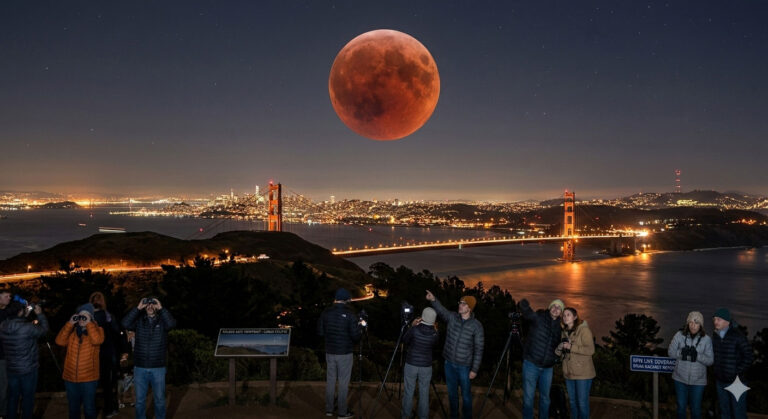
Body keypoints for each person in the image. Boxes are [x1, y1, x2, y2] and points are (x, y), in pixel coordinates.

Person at [426, 290, 484, 419]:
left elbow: (479, 349)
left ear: (469, 308)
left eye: (463, 304)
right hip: (449, 364)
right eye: (460, 302)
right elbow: (442, 311)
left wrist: (474, 369)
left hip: (464, 367)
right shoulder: (452, 317)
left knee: (466, 396)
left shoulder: (477, 326)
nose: (460, 305)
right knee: (452, 395)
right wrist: (433, 300)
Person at [121, 296, 176, 419]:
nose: (150, 306)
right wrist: (138, 307)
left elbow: (172, 324)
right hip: (140, 367)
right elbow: (125, 323)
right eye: (147, 304)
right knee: (140, 401)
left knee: (160, 400)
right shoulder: (139, 321)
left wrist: (161, 308)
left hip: (158, 368)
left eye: (152, 304)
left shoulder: (162, 321)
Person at [317, 288, 363, 419]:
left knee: (331, 380)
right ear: (346, 300)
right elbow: (356, 336)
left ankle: (329, 409)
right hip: (345, 353)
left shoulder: (326, 313)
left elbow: (320, 332)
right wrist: (360, 326)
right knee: (343, 382)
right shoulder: (350, 314)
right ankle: (342, 412)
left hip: (330, 351)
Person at [0, 300, 49, 419]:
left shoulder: (3, 326)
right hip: (28, 369)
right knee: (28, 397)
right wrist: (40, 314)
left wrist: (23, 315)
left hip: (11, 369)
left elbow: (16, 324)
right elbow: (44, 330)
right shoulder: (27, 327)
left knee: (13, 397)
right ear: (20, 311)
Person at [55, 303, 105, 419]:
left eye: (85, 316)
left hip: (89, 379)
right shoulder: (72, 333)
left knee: (89, 408)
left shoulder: (98, 330)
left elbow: (97, 340)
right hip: (70, 378)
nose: (82, 319)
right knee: (73, 409)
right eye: (80, 316)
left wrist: (89, 323)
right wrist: (70, 323)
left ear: (91, 318)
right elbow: (59, 341)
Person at [518, 298, 564, 419]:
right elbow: (528, 314)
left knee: (545, 399)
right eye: (554, 306)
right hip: (531, 364)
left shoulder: (559, 328)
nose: (556, 309)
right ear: (549, 307)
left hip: (548, 368)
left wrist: (554, 358)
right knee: (528, 398)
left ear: (561, 312)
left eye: (559, 308)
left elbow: (556, 347)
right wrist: (524, 304)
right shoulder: (539, 317)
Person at [668, 311, 713, 419]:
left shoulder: (706, 339)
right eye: (691, 322)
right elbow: (670, 352)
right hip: (680, 378)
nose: (693, 326)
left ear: (700, 325)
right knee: (681, 407)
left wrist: (697, 356)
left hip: (698, 381)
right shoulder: (679, 335)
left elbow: (710, 361)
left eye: (696, 323)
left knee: (696, 409)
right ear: (687, 323)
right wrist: (681, 353)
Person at [89, 291, 126, 418]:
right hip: (95, 353)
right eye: (95, 300)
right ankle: (104, 408)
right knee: (100, 383)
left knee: (107, 383)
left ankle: (110, 408)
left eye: (99, 299)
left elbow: (117, 331)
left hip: (106, 353)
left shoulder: (106, 315)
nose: (97, 302)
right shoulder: (91, 316)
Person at [712, 308, 752, 419]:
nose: (715, 322)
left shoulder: (738, 335)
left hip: (737, 382)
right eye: (714, 319)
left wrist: (736, 372)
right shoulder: (715, 335)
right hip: (720, 381)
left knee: (738, 413)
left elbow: (749, 356)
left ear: (727, 321)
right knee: (724, 413)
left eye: (719, 319)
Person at [555, 307, 595, 419]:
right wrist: (559, 348)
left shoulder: (584, 330)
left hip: (583, 374)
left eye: (568, 315)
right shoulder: (564, 332)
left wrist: (571, 347)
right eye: (564, 315)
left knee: (582, 403)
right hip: (569, 373)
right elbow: (563, 354)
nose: (565, 317)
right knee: (572, 402)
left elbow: (590, 350)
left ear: (575, 317)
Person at [401, 307, 439, 419]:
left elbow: (405, 340)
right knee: (424, 393)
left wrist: (412, 325)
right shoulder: (435, 334)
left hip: (411, 364)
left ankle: (406, 416)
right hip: (426, 366)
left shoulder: (415, 329)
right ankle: (423, 416)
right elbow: (435, 344)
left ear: (423, 317)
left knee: (409, 391)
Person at [0, 290, 14, 419]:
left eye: (10, 296)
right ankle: (3, 413)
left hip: (8, 354)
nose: (9, 298)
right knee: (3, 385)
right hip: (2, 356)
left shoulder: (7, 312)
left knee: (8, 385)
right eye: (6, 296)